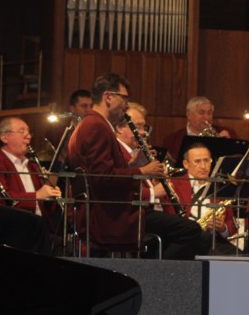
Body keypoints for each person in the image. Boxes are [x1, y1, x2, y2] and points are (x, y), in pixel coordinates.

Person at [67, 73, 177, 254]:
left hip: (102, 213)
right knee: (188, 231)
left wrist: (133, 166)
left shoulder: (91, 122)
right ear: (108, 97)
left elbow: (102, 172)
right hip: (109, 217)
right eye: (124, 98)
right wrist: (142, 171)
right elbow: (102, 177)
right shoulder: (97, 126)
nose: (126, 105)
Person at [113, 103, 206, 259]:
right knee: (191, 230)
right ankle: (159, 268)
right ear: (119, 128)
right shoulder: (117, 152)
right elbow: (118, 188)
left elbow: (137, 180)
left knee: (203, 238)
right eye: (137, 127)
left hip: (144, 211)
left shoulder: (135, 152)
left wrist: (155, 181)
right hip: (130, 214)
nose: (143, 132)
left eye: (144, 127)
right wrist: (152, 192)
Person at [170, 143, 238, 255]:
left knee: (239, 255)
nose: (203, 166)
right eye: (197, 161)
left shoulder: (220, 187)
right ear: (186, 164)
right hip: (185, 241)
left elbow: (231, 225)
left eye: (206, 161)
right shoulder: (173, 184)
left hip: (214, 242)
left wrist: (222, 228)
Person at [0, 153, 53, 255]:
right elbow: (6, 198)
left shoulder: (32, 165)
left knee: (52, 237)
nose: (28, 138)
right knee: (34, 224)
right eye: (21, 135)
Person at [0, 117, 62, 219]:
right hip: (14, 223)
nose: (28, 136)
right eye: (21, 131)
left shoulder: (33, 165)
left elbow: (44, 205)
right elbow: (1, 198)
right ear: (5, 138)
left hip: (39, 223)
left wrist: (50, 195)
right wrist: (37, 195)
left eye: (29, 132)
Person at [163, 97, 238, 161]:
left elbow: (236, 163)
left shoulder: (226, 133)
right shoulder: (172, 139)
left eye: (209, 113)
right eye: (201, 113)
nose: (207, 117)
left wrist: (228, 144)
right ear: (188, 115)